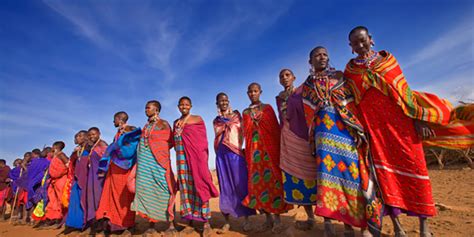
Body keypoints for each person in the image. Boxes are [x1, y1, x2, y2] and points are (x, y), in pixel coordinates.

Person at [344, 26, 452, 237]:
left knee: (416, 169)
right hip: (374, 131)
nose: (360, 45)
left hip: (401, 126)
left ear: (371, 40)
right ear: (350, 47)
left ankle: (424, 227)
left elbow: (405, 93)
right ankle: (397, 227)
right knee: (384, 177)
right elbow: (352, 104)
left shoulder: (388, 62)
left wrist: (417, 119)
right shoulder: (350, 72)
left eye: (362, 40)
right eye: (355, 43)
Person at [302, 46, 376, 237]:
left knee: (352, 176)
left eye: (325, 54)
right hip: (323, 136)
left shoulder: (339, 76)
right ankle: (332, 226)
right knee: (327, 177)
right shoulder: (308, 85)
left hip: (344, 131)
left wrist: (356, 128)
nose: (322, 57)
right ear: (310, 61)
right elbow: (308, 113)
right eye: (317, 55)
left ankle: (358, 224)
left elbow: (351, 103)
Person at [242, 83, 292, 234]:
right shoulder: (245, 112)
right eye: (250, 91)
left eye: (255, 91)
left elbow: (274, 130)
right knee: (259, 186)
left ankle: (277, 220)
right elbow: (246, 133)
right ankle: (268, 219)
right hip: (254, 156)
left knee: (273, 185)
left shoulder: (267, 108)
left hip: (269, 153)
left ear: (260, 92)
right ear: (247, 93)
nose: (253, 93)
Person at [276, 69, 317, 231]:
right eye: (281, 76)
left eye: (287, 75)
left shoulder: (302, 92)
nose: (284, 78)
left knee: (315, 175)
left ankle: (328, 219)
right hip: (288, 139)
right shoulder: (279, 99)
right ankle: (311, 217)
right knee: (298, 179)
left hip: (304, 138)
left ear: (294, 77)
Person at [173, 96, 218, 237]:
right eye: (181, 105)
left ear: (191, 106)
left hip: (196, 160)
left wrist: (201, 159)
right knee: (186, 189)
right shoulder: (176, 123)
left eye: (186, 104)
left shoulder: (197, 120)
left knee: (200, 185)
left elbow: (202, 142)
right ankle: (190, 222)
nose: (184, 107)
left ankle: (206, 223)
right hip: (181, 160)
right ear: (178, 107)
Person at [131, 101, 177, 236]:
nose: (146, 110)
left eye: (148, 107)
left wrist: (158, 151)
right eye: (145, 107)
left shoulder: (163, 124)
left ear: (156, 109)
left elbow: (170, 141)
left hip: (159, 163)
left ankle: (171, 225)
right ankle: (151, 225)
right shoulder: (146, 126)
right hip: (145, 164)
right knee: (147, 191)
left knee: (166, 190)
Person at [213, 92, 256, 234]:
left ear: (228, 101)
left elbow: (244, 132)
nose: (223, 103)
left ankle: (247, 220)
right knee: (225, 188)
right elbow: (217, 137)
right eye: (221, 101)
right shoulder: (216, 120)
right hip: (221, 155)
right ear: (217, 103)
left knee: (241, 185)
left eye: (225, 100)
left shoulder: (237, 116)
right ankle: (227, 222)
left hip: (236, 154)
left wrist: (241, 147)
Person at [96, 111, 140, 236]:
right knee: (111, 198)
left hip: (124, 170)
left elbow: (136, 136)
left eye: (114, 119)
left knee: (124, 198)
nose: (113, 122)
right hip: (114, 170)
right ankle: (113, 224)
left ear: (119, 119)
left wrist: (126, 130)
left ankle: (127, 224)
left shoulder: (129, 129)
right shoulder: (118, 133)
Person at [63, 130, 89, 234]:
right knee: (74, 201)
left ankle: (85, 223)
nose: (77, 137)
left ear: (86, 137)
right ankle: (74, 224)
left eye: (80, 136)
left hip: (86, 179)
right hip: (77, 179)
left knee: (84, 201)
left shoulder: (90, 148)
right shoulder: (77, 150)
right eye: (77, 136)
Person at [85, 127, 108, 235]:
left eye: (93, 134)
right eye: (89, 135)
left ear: (99, 133)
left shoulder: (102, 145)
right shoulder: (93, 146)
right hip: (92, 177)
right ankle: (97, 225)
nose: (91, 136)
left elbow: (108, 160)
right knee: (93, 200)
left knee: (100, 201)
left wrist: (103, 173)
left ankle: (104, 227)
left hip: (100, 178)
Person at [43, 141, 69, 228]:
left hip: (61, 179)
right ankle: (55, 218)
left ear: (55, 146)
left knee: (62, 199)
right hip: (54, 181)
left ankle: (64, 220)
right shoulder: (55, 156)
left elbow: (68, 164)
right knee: (54, 200)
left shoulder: (61, 155)